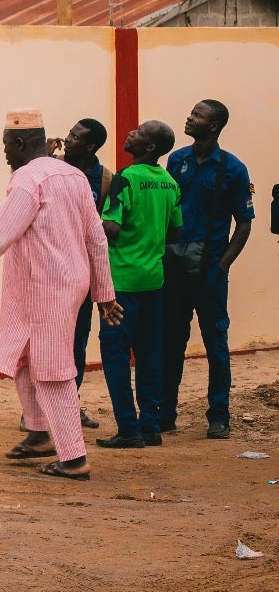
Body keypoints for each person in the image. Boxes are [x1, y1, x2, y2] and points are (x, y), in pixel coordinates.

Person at [0, 108, 120, 481]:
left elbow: (2, 232)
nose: (4, 152)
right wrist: (103, 292)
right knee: (24, 357)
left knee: (52, 370)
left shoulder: (27, 180)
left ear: (19, 143)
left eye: (6, 145)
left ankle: (73, 459)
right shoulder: (72, 176)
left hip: (47, 288)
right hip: (52, 285)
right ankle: (38, 434)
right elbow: (96, 238)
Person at [161, 99, 255, 439]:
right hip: (175, 265)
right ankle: (165, 413)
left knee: (216, 343)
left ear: (213, 126)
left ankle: (219, 417)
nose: (189, 117)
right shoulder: (177, 160)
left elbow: (244, 224)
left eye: (198, 115)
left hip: (210, 270)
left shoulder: (233, 169)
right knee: (171, 340)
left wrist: (222, 264)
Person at [94, 121, 179, 449]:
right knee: (149, 354)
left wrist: (92, 221)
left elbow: (111, 229)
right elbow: (174, 233)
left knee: (115, 354)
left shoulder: (125, 179)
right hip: (153, 281)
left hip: (122, 283)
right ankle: (150, 426)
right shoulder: (171, 184)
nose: (131, 132)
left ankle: (128, 429)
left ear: (149, 148)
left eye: (140, 133)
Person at [56, 117, 109, 429]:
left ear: (90, 146)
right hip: (50, 272)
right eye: (70, 132)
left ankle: (69, 404)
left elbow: (105, 231)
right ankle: (36, 411)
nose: (68, 138)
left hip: (82, 274)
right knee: (46, 340)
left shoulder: (105, 180)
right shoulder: (49, 166)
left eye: (75, 136)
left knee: (77, 341)